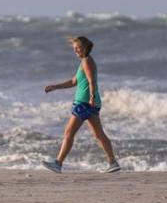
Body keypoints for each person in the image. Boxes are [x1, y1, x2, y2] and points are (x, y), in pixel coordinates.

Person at [42, 36, 120, 173]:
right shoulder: (85, 62)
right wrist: (55, 86)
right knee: (99, 134)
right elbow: (73, 81)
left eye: (78, 48)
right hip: (90, 103)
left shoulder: (86, 61)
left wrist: (91, 97)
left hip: (84, 103)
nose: (76, 51)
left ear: (85, 48)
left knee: (68, 132)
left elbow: (92, 81)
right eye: (74, 48)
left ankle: (58, 163)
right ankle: (113, 162)